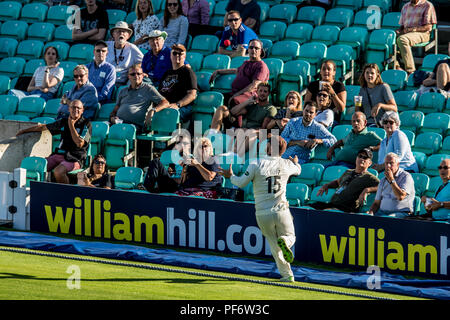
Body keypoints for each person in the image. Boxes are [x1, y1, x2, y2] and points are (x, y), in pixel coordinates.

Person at [219, 135, 301, 283]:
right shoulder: (286, 164)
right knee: (291, 237)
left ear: (270, 148)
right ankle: (286, 242)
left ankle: (287, 275)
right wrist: (295, 162)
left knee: (274, 245)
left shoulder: (255, 164)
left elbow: (241, 183)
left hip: (262, 212)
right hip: (281, 210)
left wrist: (230, 175)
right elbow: (298, 170)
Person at [16, 100, 92, 184]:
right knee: (38, 167)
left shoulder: (86, 124)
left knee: (58, 172)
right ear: (69, 109)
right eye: (73, 107)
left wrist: (71, 125)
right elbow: (44, 127)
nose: (76, 110)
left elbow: (79, 143)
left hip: (75, 158)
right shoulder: (63, 121)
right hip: (59, 155)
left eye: (78, 108)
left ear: (82, 110)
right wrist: (24, 131)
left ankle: (65, 194)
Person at [143, 137, 223, 198]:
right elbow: (182, 181)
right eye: (200, 147)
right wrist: (184, 169)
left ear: (210, 148)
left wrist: (197, 164)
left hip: (202, 191)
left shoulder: (213, 159)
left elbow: (209, 177)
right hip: (184, 188)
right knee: (156, 162)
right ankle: (148, 189)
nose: (203, 148)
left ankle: (153, 192)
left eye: (205, 146)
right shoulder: (193, 161)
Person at [310, 148, 380, 213]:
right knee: (307, 208)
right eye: (360, 156)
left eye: (365, 158)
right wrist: (327, 185)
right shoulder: (348, 171)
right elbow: (337, 182)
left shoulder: (369, 177)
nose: (361, 159)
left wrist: (367, 190)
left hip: (347, 208)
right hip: (333, 204)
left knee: (326, 212)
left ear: (370, 163)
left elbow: (382, 186)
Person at [209, 39, 269, 107]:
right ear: (248, 50)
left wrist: (236, 95)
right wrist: (218, 71)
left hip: (250, 95)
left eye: (256, 48)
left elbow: (254, 85)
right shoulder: (247, 62)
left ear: (261, 51)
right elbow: (236, 70)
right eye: (251, 47)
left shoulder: (261, 66)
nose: (253, 50)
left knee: (234, 101)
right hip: (236, 93)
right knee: (216, 99)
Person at [109, 64, 169, 132]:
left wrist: (153, 110)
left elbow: (165, 102)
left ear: (143, 75)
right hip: (119, 123)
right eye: (133, 74)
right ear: (128, 76)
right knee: (100, 128)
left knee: (120, 131)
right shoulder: (122, 91)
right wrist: (112, 118)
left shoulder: (148, 89)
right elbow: (114, 111)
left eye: (139, 74)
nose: (136, 76)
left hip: (135, 126)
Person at [210, 81, 277, 132]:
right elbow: (233, 112)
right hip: (242, 129)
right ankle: (213, 134)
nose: (262, 93)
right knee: (222, 108)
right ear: (257, 92)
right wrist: (248, 101)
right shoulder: (253, 105)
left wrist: (245, 130)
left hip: (252, 132)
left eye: (265, 91)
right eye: (260, 91)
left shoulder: (271, 109)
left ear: (268, 93)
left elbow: (263, 129)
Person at [158, 44, 197, 124]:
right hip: (165, 105)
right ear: (170, 56)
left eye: (180, 54)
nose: (177, 55)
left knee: (169, 113)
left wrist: (177, 104)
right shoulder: (167, 73)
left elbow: (192, 95)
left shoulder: (188, 72)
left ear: (184, 57)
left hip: (182, 107)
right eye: (175, 53)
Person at [368, 152, 415, 218]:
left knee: (386, 219)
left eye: (391, 163)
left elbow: (400, 196)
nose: (388, 166)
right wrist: (370, 213)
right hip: (382, 212)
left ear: (398, 164)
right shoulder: (383, 180)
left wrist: (391, 180)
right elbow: (376, 203)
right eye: (386, 163)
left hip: (401, 213)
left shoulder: (406, 176)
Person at [395, 0, 437, 75]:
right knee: (388, 39)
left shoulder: (427, 5)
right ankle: (396, 66)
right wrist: (399, 31)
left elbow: (428, 27)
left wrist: (412, 29)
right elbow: (402, 26)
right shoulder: (405, 6)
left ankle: (410, 71)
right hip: (407, 33)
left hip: (422, 33)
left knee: (402, 39)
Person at [106, 21, 144, 85]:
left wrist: (134, 68)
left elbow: (144, 62)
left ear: (128, 36)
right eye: (118, 31)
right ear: (113, 35)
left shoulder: (132, 48)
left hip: (124, 82)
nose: (121, 33)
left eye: (124, 31)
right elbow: (96, 62)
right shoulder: (106, 46)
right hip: (106, 80)